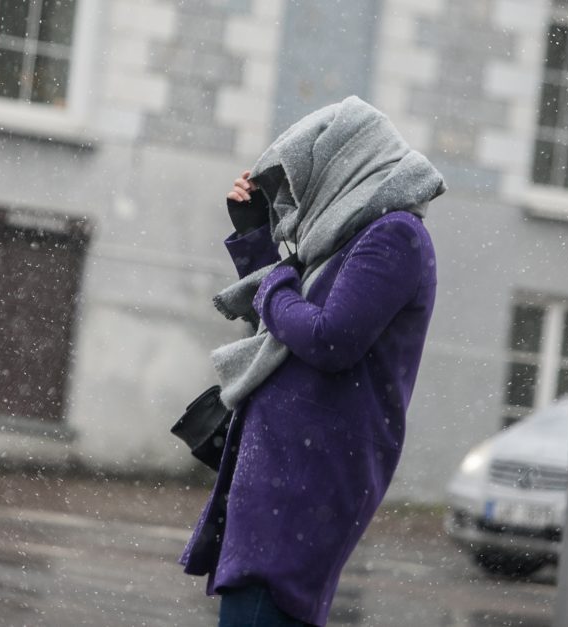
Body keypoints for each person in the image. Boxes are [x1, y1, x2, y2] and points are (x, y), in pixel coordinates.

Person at [180, 96, 446, 627]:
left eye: (302, 183)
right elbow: (278, 330)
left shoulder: (393, 236)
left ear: (345, 166)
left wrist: (277, 279)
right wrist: (258, 239)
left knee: (262, 608)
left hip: (305, 481)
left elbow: (329, 339)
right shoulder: (342, 241)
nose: (295, 202)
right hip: (283, 475)